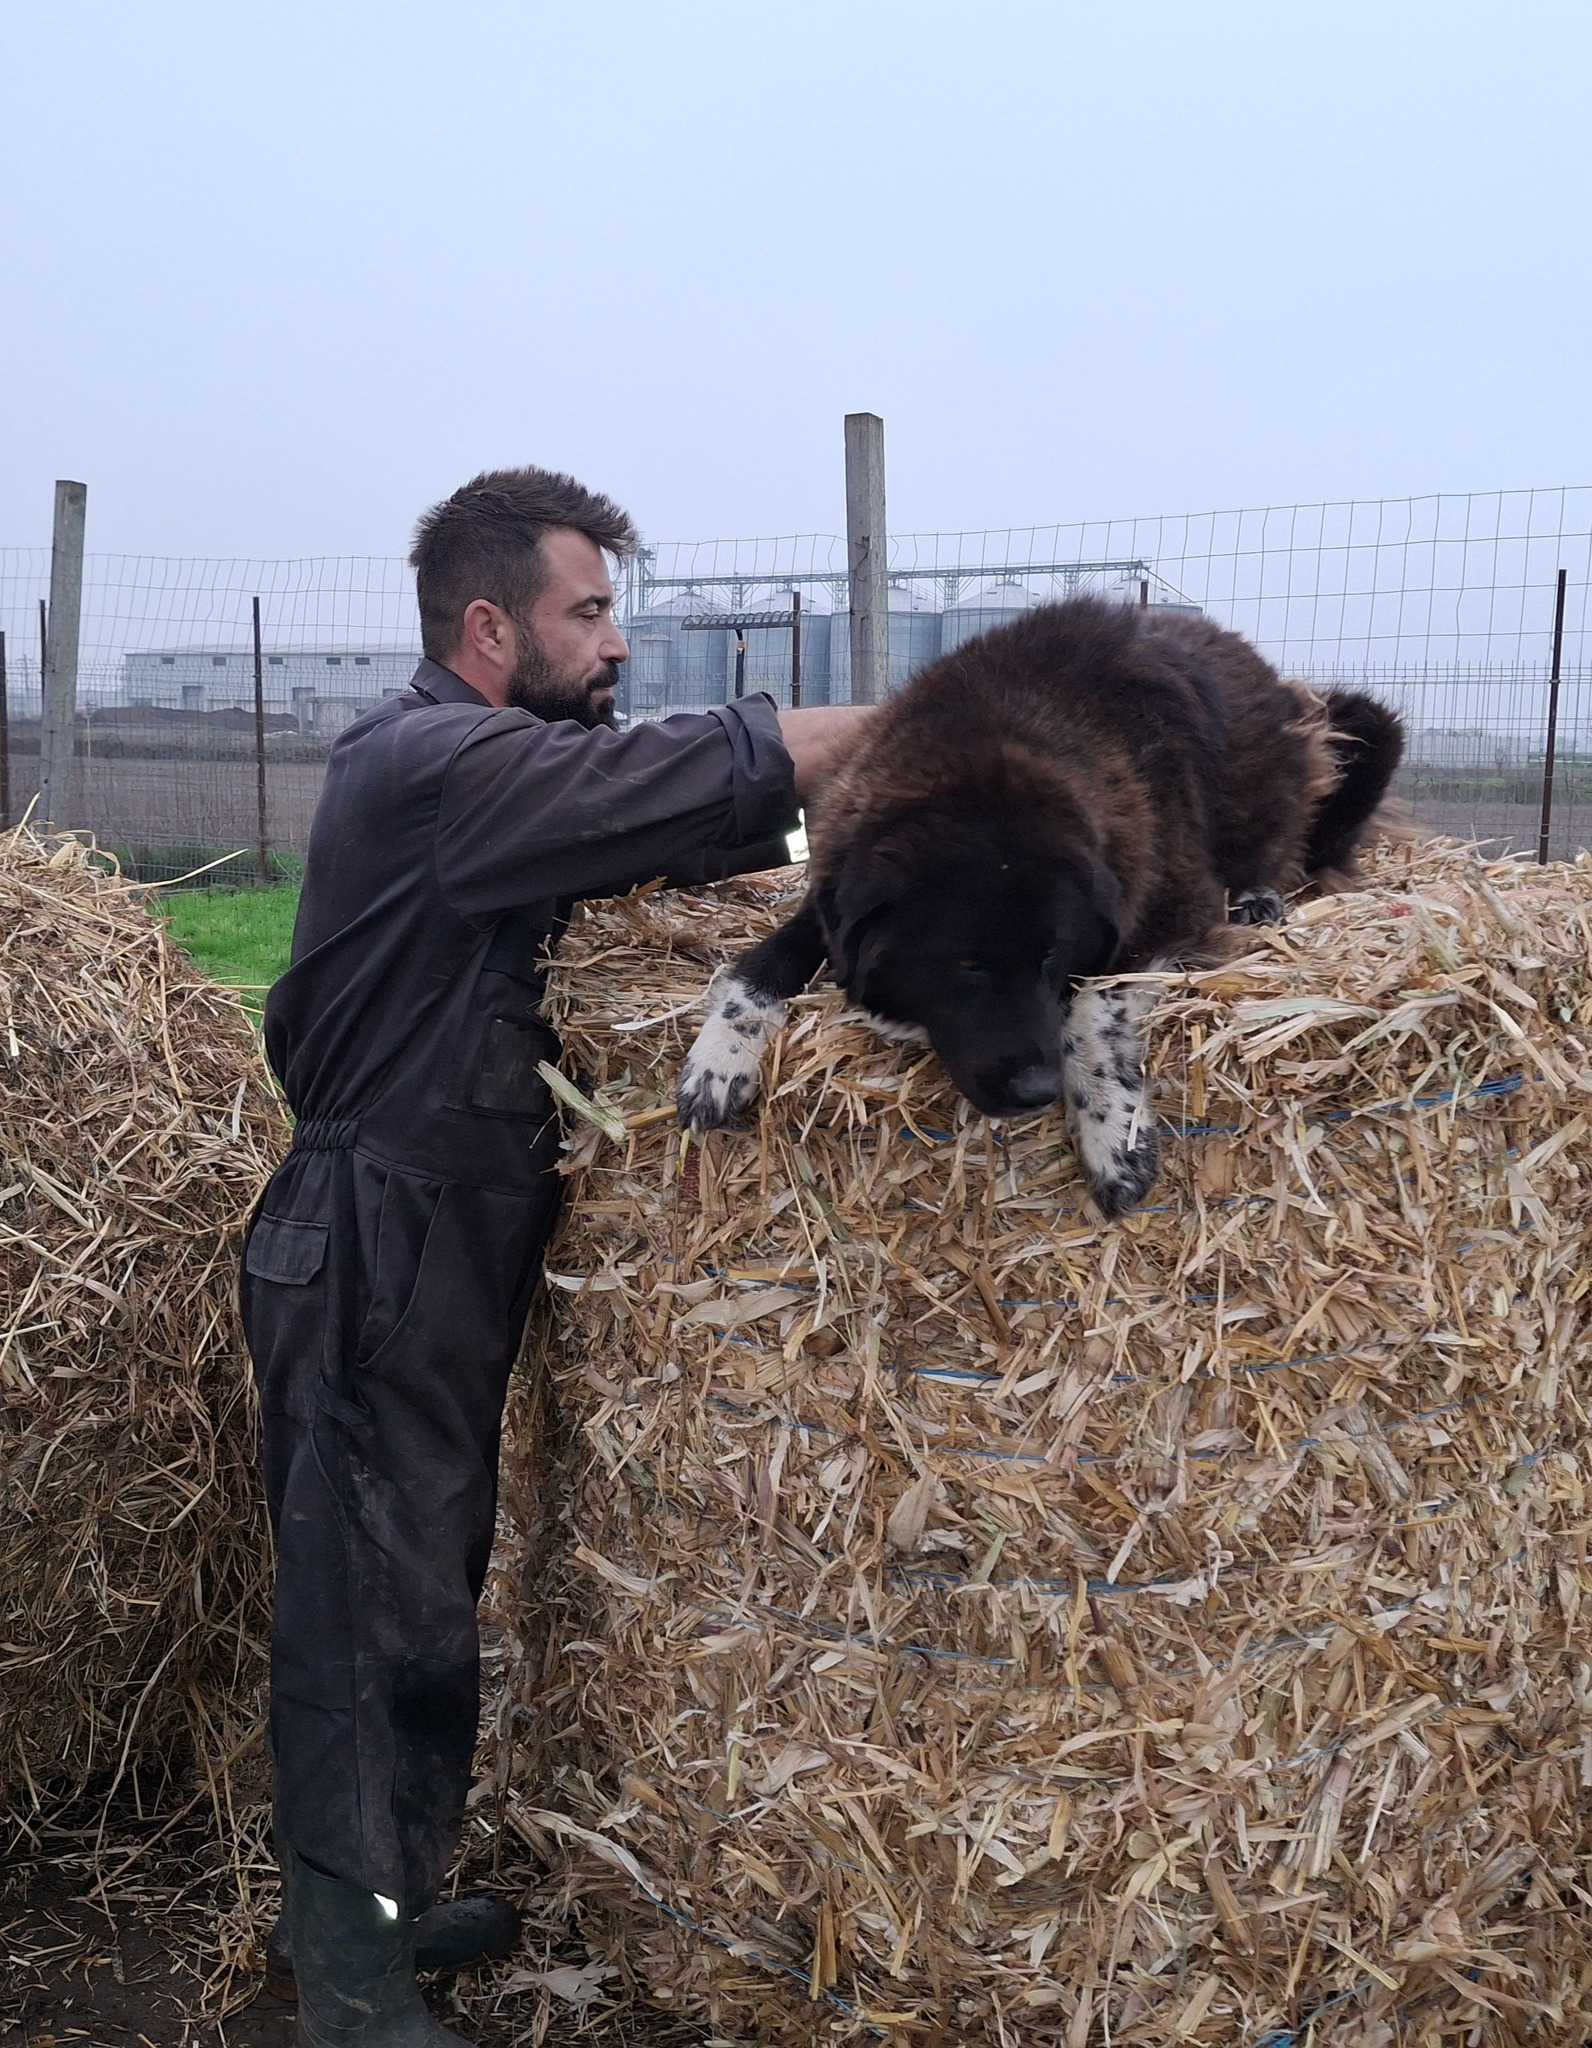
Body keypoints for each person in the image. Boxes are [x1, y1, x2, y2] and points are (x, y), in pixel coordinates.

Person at [240, 467, 868, 2046]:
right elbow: (676, 778)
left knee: (425, 1587)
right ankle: (352, 1986)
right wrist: (930, 725)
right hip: (377, 1237)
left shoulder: (484, 769)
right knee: (367, 1609)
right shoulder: (440, 762)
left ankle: (386, 1896)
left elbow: (658, 829)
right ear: (485, 625)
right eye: (587, 615)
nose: (614, 646)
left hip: (431, 1238)